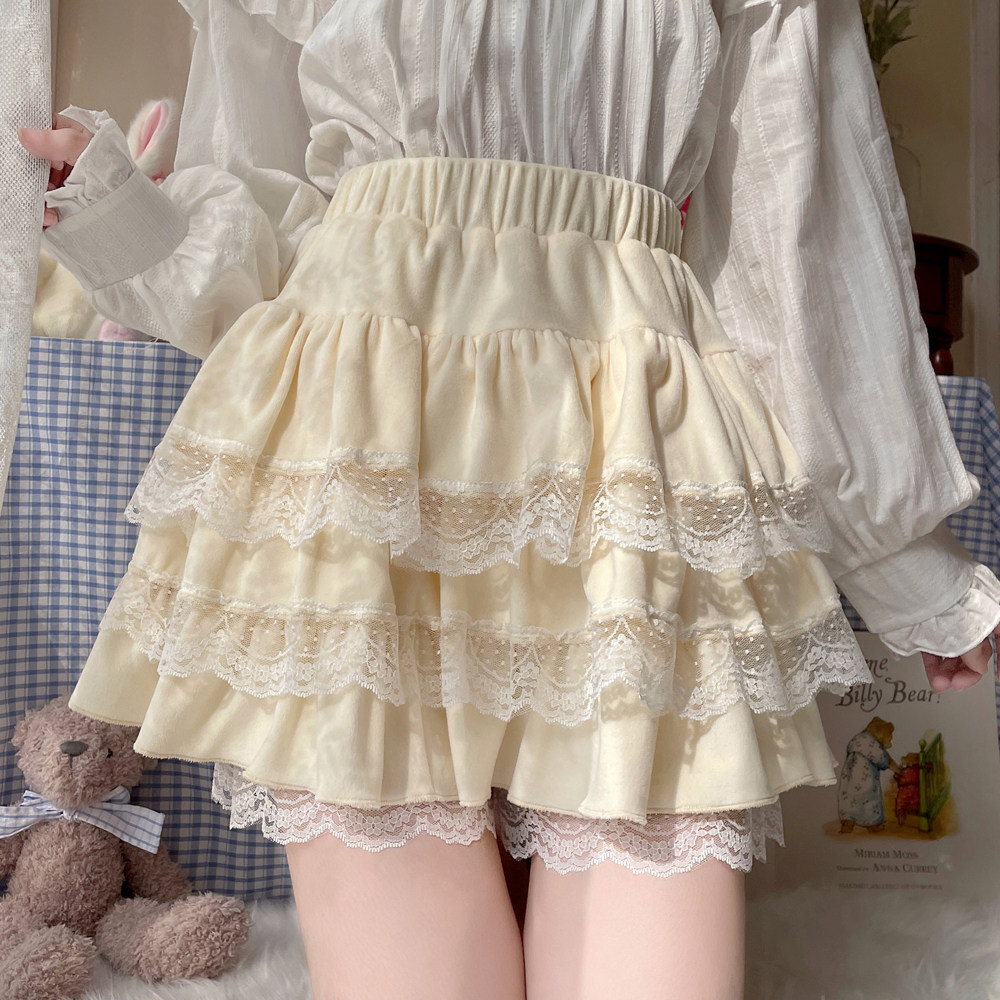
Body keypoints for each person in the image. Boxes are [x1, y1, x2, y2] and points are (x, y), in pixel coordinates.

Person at [20, 1, 1000, 997]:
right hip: (362, 450)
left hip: (633, 443)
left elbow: (797, 232)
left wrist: (907, 565)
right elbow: (267, 223)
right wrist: (123, 218)